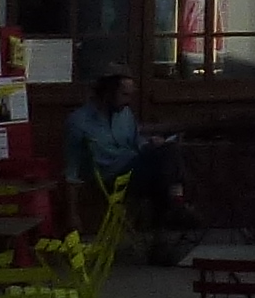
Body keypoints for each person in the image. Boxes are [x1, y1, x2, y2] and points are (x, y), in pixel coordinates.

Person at [65, 73, 181, 252]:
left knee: (167, 154)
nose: (129, 101)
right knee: (163, 168)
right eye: (124, 95)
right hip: (112, 177)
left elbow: (137, 143)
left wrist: (151, 143)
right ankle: (175, 209)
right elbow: (71, 169)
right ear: (108, 93)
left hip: (136, 168)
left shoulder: (124, 114)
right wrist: (73, 214)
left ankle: (164, 231)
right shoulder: (79, 121)